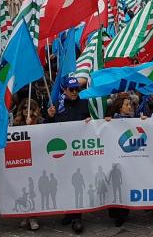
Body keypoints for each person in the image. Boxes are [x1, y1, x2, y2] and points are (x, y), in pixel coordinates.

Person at [46, 77, 89, 234]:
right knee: (64, 182)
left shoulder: (85, 103)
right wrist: (49, 117)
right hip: (62, 155)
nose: (75, 92)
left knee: (76, 184)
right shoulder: (56, 106)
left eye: (77, 89)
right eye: (71, 89)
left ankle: (77, 217)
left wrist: (91, 122)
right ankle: (68, 213)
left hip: (79, 153)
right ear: (64, 90)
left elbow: (94, 125)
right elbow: (47, 131)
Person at [13, 99, 42, 231]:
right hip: (23, 160)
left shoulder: (40, 121)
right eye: (24, 107)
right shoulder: (16, 122)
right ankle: (25, 214)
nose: (26, 109)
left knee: (33, 189)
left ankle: (33, 217)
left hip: (37, 160)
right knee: (23, 189)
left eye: (29, 107)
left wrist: (31, 127)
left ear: (34, 109)